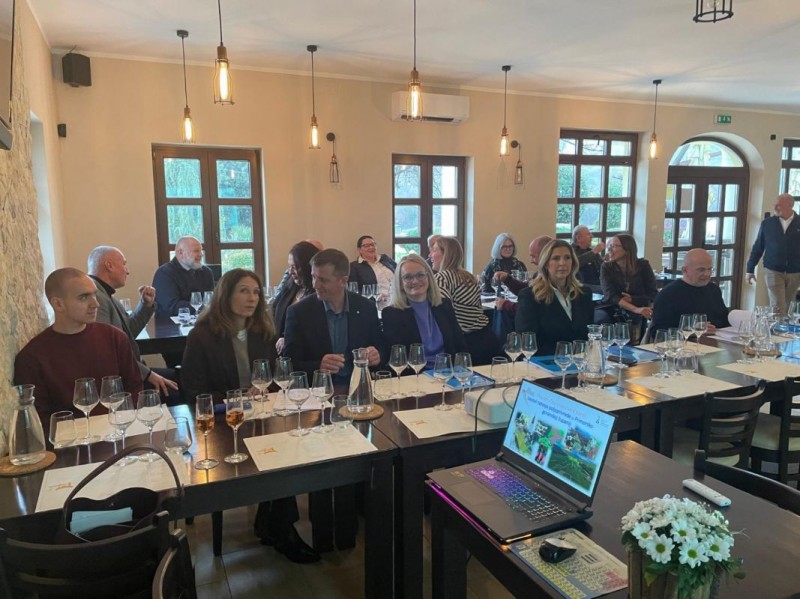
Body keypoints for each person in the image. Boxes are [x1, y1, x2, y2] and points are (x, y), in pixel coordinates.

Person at [180, 269, 318, 564]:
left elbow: (271, 379)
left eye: (255, 292)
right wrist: (237, 398)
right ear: (225, 295)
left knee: (287, 450)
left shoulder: (261, 333)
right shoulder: (202, 336)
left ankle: (274, 522)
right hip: (221, 423)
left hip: (259, 415)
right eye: (243, 291)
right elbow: (194, 393)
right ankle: (281, 529)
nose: (252, 298)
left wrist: (264, 390)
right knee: (272, 452)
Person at [14, 268, 142, 425]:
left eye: (95, 295)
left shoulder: (115, 337)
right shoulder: (32, 357)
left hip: (119, 428)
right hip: (69, 437)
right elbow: (39, 419)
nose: (95, 304)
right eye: (84, 297)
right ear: (58, 304)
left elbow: (134, 388)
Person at [87, 246, 180, 401]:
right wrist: (147, 374)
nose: (127, 271)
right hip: (122, 380)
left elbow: (128, 332)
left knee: (183, 378)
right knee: (181, 385)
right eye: (124, 264)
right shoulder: (97, 297)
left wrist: (145, 305)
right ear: (109, 265)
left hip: (133, 370)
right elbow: (109, 350)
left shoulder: (106, 294)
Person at [282, 248, 383, 385]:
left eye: (323, 280)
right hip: (318, 390)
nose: (315, 285)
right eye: (313, 277)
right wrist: (318, 366)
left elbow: (381, 347)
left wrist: (376, 355)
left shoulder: (366, 308)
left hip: (359, 386)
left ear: (343, 281)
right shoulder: (299, 312)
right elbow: (288, 364)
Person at [382, 254, 468, 367]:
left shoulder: (444, 305)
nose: (415, 281)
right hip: (414, 374)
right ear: (400, 283)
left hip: (447, 372)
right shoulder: (392, 314)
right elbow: (397, 358)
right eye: (408, 277)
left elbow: (460, 345)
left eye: (420, 275)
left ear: (429, 278)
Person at [514, 240, 594, 355]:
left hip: (579, 360)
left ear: (573, 262)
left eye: (567, 258)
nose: (562, 263)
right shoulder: (530, 296)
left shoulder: (584, 294)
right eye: (556, 258)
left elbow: (588, 336)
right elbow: (527, 342)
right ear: (546, 263)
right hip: (544, 361)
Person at [429, 236, 496, 364]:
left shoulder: (442, 278)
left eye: (434, 250)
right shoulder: (469, 276)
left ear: (445, 254)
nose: (430, 254)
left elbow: (443, 315)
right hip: (485, 337)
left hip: (464, 343)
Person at [746, 193, 800, 315]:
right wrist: (750, 269)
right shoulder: (767, 223)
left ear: (790, 205)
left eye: (779, 205)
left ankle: (784, 326)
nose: (775, 207)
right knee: (777, 306)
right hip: (773, 270)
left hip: (795, 272)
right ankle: (778, 326)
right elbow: (758, 247)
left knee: (789, 305)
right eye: (775, 205)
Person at [651, 248, 730, 332]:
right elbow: (658, 331)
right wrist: (691, 330)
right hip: (686, 339)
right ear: (685, 270)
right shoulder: (668, 294)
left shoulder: (713, 290)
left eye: (709, 269)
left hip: (715, 338)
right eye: (701, 270)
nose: (707, 274)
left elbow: (724, 320)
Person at [596, 234, 657, 328]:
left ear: (627, 249)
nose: (609, 250)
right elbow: (610, 295)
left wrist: (632, 299)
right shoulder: (606, 267)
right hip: (610, 307)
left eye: (614, 246)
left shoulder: (643, 265)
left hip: (637, 308)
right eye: (610, 246)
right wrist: (635, 309)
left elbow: (653, 294)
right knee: (602, 319)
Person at [272, 241, 318, 353]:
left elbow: (314, 329)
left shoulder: (319, 293)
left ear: (308, 267)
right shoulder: (289, 286)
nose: (291, 272)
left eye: (295, 267)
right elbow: (276, 310)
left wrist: (288, 338)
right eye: (289, 266)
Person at [152, 236, 215, 317]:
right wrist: (203, 307)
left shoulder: (206, 272)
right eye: (196, 251)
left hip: (202, 320)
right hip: (169, 323)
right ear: (181, 253)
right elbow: (172, 306)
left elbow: (211, 300)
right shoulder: (164, 273)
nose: (201, 254)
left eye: (201, 250)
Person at [495, 235, 554, 312]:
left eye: (533, 257)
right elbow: (526, 290)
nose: (531, 261)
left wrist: (506, 305)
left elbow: (532, 308)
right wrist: (507, 278)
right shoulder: (541, 274)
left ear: (544, 256)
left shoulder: (553, 278)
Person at [348, 235, 396, 301]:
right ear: (359, 250)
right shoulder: (354, 267)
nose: (371, 247)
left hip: (396, 298)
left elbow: (399, 271)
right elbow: (353, 291)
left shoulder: (385, 258)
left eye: (373, 244)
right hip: (376, 302)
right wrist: (375, 298)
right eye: (366, 246)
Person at [571, 225, 604, 291]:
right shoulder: (570, 251)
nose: (592, 236)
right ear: (578, 238)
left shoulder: (590, 251)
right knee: (606, 290)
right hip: (581, 286)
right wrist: (594, 251)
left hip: (598, 283)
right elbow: (575, 263)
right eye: (588, 234)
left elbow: (602, 267)